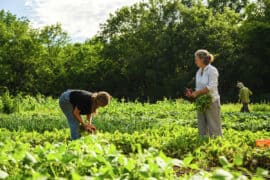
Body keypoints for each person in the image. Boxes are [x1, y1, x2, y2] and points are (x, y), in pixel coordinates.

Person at [185, 49, 222, 137]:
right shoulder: (198, 71)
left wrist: (198, 92)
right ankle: (203, 141)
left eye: (196, 59)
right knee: (201, 124)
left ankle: (217, 142)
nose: (195, 62)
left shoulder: (212, 70)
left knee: (213, 124)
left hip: (211, 100)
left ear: (202, 59)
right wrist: (193, 93)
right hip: (201, 101)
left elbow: (211, 86)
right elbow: (199, 87)